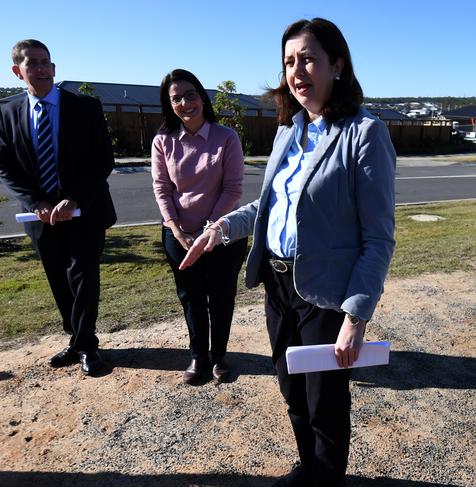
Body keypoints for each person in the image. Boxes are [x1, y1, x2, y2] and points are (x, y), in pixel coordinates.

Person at [180, 18, 396, 486]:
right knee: (292, 391)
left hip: (324, 294)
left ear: (336, 65)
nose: (297, 71)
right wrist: (221, 228)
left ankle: (326, 479)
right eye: (289, 61)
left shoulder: (365, 133)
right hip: (278, 286)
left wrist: (356, 319)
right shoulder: (288, 130)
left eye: (308, 59)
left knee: (325, 403)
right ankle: (309, 467)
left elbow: (378, 238)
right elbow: (269, 204)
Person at [0, 40, 116, 376]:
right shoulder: (6, 112)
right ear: (17, 71)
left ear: (54, 68)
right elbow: (6, 166)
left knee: (83, 278)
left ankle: (87, 345)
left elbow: (103, 160)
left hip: (85, 210)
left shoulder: (85, 106)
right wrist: (37, 202)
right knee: (58, 280)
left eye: (45, 62)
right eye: (32, 63)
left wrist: (74, 198)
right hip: (40, 217)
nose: (40, 69)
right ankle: (76, 339)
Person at [151, 69, 247, 385]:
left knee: (221, 297)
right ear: (169, 104)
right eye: (176, 98)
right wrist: (176, 229)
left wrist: (210, 229)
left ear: (202, 98)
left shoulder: (226, 138)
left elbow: (233, 189)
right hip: (179, 235)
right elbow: (162, 188)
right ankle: (198, 356)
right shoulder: (163, 141)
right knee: (190, 297)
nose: (185, 103)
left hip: (222, 235)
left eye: (190, 95)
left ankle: (219, 356)